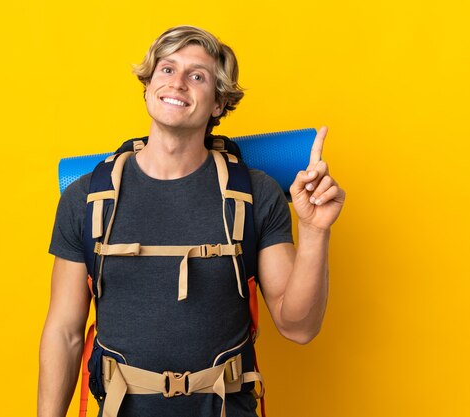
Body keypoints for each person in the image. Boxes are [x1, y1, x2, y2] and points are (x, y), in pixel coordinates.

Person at [38, 25, 345, 417]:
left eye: (197, 76)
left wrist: (316, 230)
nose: (178, 83)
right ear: (148, 85)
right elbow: (64, 333)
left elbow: (298, 326)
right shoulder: (86, 198)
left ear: (218, 104)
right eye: (167, 70)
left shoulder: (255, 194)